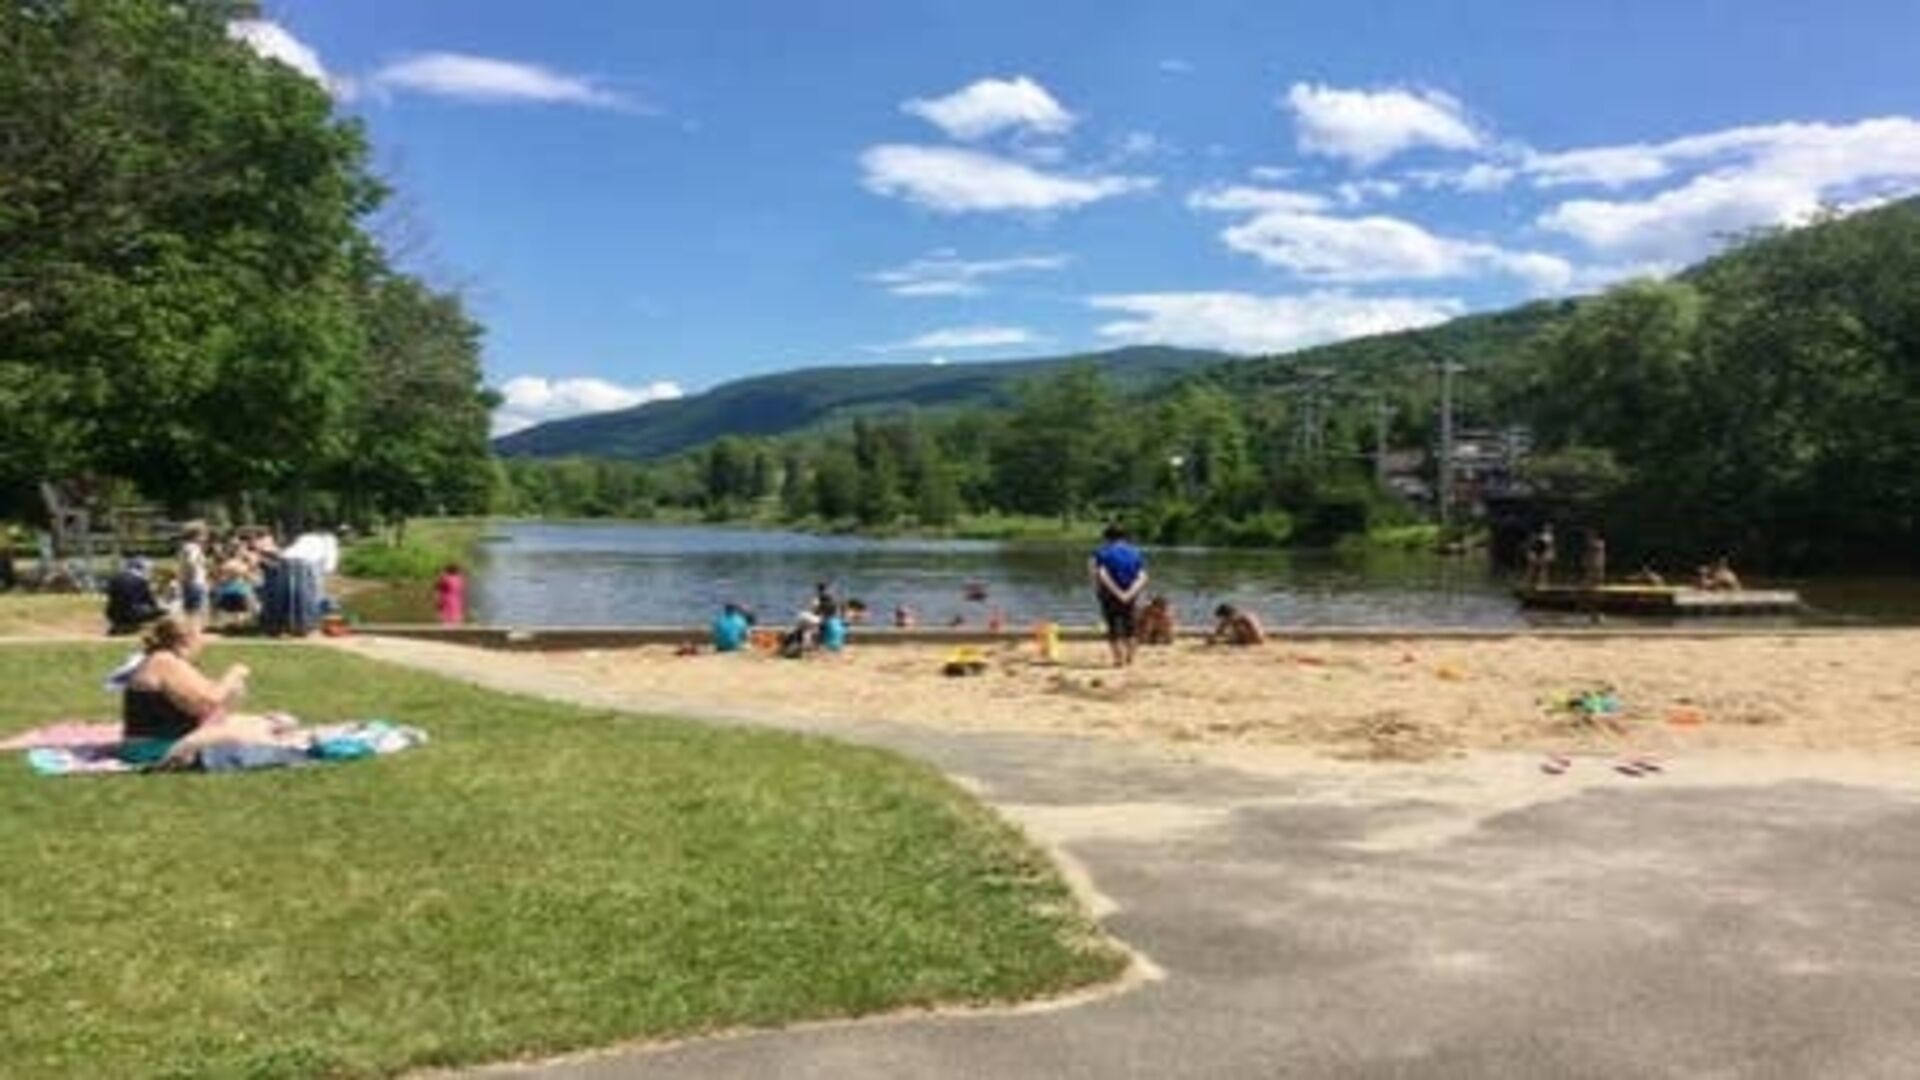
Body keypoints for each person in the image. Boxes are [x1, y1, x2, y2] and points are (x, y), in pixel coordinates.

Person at [116, 615, 287, 766]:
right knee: (256, 736)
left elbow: (206, 694)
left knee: (268, 724)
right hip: (157, 748)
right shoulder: (164, 661)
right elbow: (208, 701)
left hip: (174, 739)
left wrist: (232, 689)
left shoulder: (171, 661)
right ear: (185, 640)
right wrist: (233, 674)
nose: (204, 642)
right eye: (200, 636)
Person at [1090, 524, 1148, 668]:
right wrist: (1129, 593)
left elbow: (1100, 574)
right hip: (1131, 594)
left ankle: (1118, 660)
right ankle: (1130, 658)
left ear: (1106, 538)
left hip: (1109, 594)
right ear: (1124, 537)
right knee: (1130, 626)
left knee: (1113, 625)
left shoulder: (1100, 552)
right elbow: (1143, 576)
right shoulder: (1136, 552)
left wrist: (1115, 592)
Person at [104, 557, 166, 635]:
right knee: (162, 611)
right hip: (132, 614)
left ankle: (119, 625)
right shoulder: (141, 581)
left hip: (112, 613)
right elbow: (150, 602)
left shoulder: (115, 578)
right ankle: (132, 626)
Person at [177, 523, 209, 625]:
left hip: (190, 582)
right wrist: (192, 577)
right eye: (203, 534)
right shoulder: (193, 547)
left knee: (190, 609)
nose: (205, 537)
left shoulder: (186, 546)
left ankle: (191, 630)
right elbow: (191, 563)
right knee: (195, 609)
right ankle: (193, 631)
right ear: (196, 535)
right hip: (194, 582)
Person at [1524, 523, 1556, 588]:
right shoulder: (1542, 537)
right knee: (1535, 568)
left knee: (1543, 569)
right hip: (1538, 553)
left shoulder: (1547, 537)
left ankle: (1541, 583)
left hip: (1543, 553)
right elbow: (1539, 546)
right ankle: (1530, 583)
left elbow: (1545, 546)